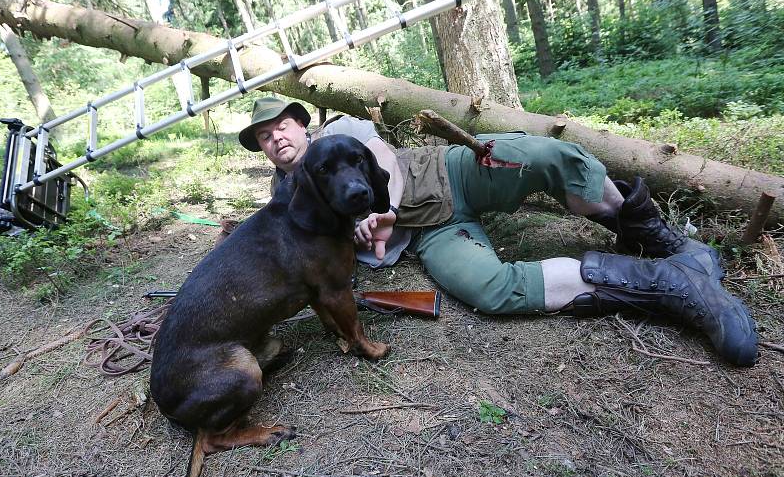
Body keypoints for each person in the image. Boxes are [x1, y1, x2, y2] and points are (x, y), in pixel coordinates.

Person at [238, 96, 758, 367]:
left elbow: (384, 164)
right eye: (265, 135)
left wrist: (385, 209)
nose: (276, 137)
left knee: (544, 155)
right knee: (491, 289)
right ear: (263, 150)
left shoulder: (342, 135)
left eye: (282, 124)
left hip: (449, 171)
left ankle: (654, 237)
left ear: (301, 124)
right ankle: (672, 284)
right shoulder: (287, 204)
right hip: (432, 235)